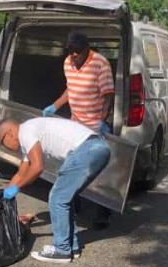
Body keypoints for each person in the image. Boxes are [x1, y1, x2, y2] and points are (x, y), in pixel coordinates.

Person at [0, 117, 111, 263]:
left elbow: (37, 167)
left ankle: (61, 250)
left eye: (2, 142)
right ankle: (71, 247)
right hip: (97, 148)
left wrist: (17, 188)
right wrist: (4, 196)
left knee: (57, 198)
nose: (5, 146)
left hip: (87, 149)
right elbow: (21, 173)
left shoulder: (25, 132)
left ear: (10, 133)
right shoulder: (27, 139)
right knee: (65, 198)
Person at [43, 31, 115, 228]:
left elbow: (107, 95)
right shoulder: (67, 62)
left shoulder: (100, 63)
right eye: (70, 51)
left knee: (98, 171)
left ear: (86, 49)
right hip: (75, 125)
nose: (73, 55)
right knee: (70, 166)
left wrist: (102, 120)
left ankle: (103, 212)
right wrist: (55, 106)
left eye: (77, 52)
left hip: (94, 126)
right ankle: (73, 205)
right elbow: (70, 89)